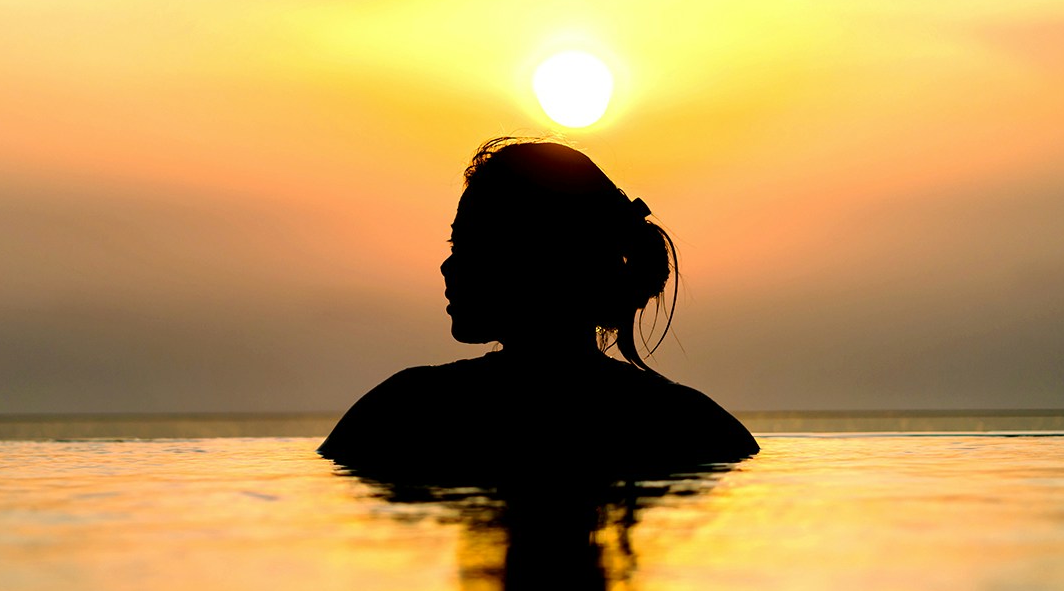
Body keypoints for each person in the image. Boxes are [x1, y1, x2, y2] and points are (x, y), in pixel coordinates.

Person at [319, 137, 757, 483]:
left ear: (540, 258)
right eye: (454, 245)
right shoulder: (692, 425)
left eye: (472, 245)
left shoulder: (405, 412)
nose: (448, 264)